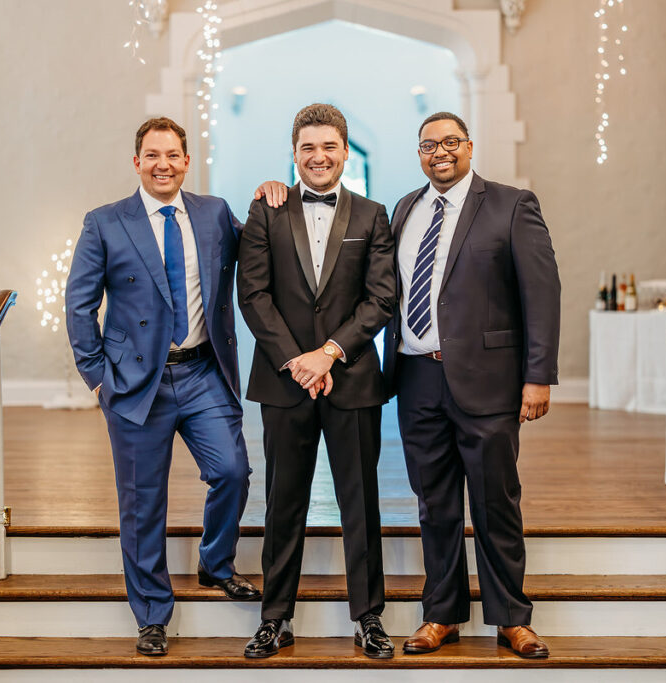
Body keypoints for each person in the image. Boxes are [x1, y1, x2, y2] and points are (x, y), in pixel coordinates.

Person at [66, 116, 259, 658]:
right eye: (152, 155)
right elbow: (79, 305)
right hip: (134, 385)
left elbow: (264, 252)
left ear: (186, 161)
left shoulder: (215, 213)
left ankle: (215, 563)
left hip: (203, 373)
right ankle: (151, 613)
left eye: (173, 155)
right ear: (136, 163)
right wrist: (98, 378)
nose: (163, 164)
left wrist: (273, 200)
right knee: (142, 502)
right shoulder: (104, 222)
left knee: (233, 472)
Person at [385, 112, 560, 658]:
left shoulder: (511, 204)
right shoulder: (404, 209)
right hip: (417, 377)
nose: (439, 152)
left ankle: (511, 617)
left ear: (468, 146)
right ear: (418, 154)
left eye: (450, 142)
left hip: (488, 381)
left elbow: (542, 293)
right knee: (434, 504)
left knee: (495, 501)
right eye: (427, 145)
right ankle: (442, 615)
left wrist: (538, 375)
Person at [236, 103, 397, 659]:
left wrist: (328, 354)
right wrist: (297, 362)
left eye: (329, 146)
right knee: (283, 502)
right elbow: (252, 296)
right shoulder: (265, 212)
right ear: (294, 152)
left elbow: (381, 298)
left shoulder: (374, 215)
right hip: (284, 382)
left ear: (346, 151)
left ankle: (369, 618)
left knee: (361, 502)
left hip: (351, 379)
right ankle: (275, 618)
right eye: (308, 147)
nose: (319, 156)